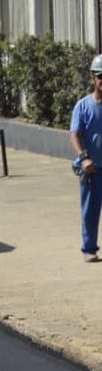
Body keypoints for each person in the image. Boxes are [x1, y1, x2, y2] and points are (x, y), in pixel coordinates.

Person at [70, 54, 102, 261]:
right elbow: (74, 134)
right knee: (90, 211)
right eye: (101, 76)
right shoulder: (83, 106)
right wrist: (83, 158)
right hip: (92, 170)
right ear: (93, 78)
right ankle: (89, 249)